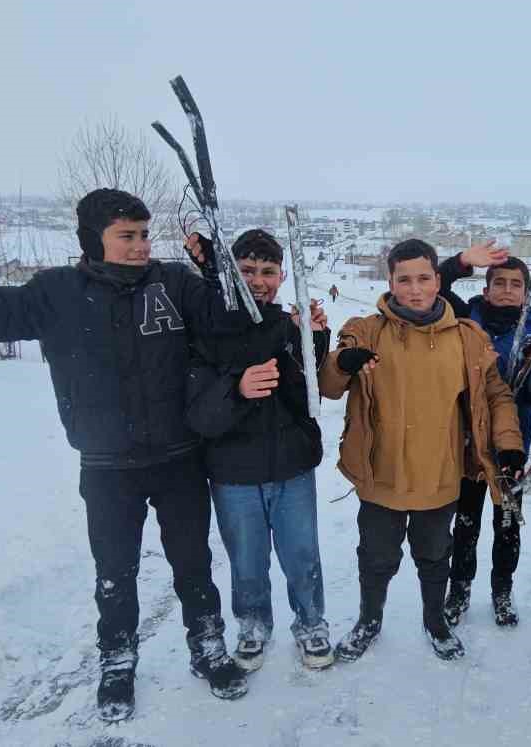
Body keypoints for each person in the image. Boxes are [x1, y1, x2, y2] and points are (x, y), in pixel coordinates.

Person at [0, 189, 250, 720]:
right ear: (92, 239)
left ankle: (207, 646)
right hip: (107, 467)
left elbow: (230, 326)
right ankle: (118, 661)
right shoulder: (56, 292)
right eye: (127, 236)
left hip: (179, 458)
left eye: (144, 234)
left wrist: (218, 273)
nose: (141, 245)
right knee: (115, 572)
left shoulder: (174, 284)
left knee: (194, 563)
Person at [318, 238, 526, 662]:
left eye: (424, 278)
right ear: (390, 282)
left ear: (437, 280)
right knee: (375, 558)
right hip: (381, 476)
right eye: (404, 280)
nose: (415, 290)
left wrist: (509, 446)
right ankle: (369, 620)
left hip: (439, 477)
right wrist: (343, 363)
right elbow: (328, 385)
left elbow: (497, 395)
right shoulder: (367, 330)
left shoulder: (466, 337)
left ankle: (436, 621)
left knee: (434, 557)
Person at [184, 228, 334, 673]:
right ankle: (252, 626)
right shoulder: (208, 330)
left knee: (302, 555)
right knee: (247, 561)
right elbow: (199, 416)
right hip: (234, 475)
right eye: (247, 270)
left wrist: (313, 340)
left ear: (282, 276)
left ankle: (311, 624)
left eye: (268, 271)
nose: (258, 281)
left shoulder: (286, 325)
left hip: (291, 469)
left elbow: (305, 399)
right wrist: (237, 389)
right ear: (232, 273)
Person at [433, 240, 531, 628]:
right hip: (468, 445)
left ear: (526, 291)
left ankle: (502, 590)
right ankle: (459, 590)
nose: (507, 290)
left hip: (512, 446)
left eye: (515, 284)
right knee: (465, 524)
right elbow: (434, 285)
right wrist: (461, 262)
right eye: (499, 283)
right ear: (486, 289)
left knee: (507, 527)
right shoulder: (464, 319)